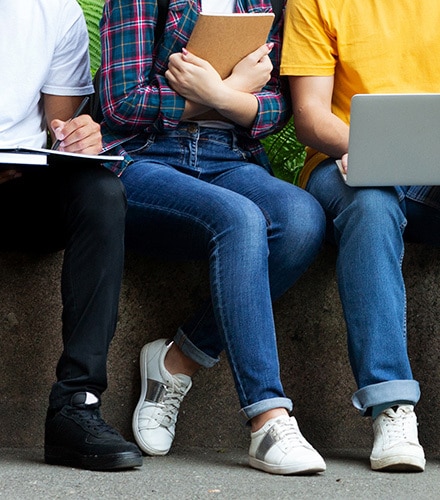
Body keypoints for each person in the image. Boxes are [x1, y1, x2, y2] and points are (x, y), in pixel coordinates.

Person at [100, 0, 327, 475]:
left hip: (230, 159)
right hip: (145, 158)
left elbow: (274, 110)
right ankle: (268, 418)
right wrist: (229, 90)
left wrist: (221, 97)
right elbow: (122, 102)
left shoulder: (265, 4)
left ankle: (178, 360)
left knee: (301, 218)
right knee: (241, 218)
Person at [280, 0, 439, 472]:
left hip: (430, 175)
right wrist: (366, 148)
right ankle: (392, 407)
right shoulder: (315, 3)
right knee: (371, 201)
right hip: (343, 162)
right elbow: (309, 117)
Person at [0, 0, 142, 471]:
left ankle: (75, 406)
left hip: (18, 183)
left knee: (100, 192)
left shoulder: (53, 8)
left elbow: (58, 124)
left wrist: (77, 136)